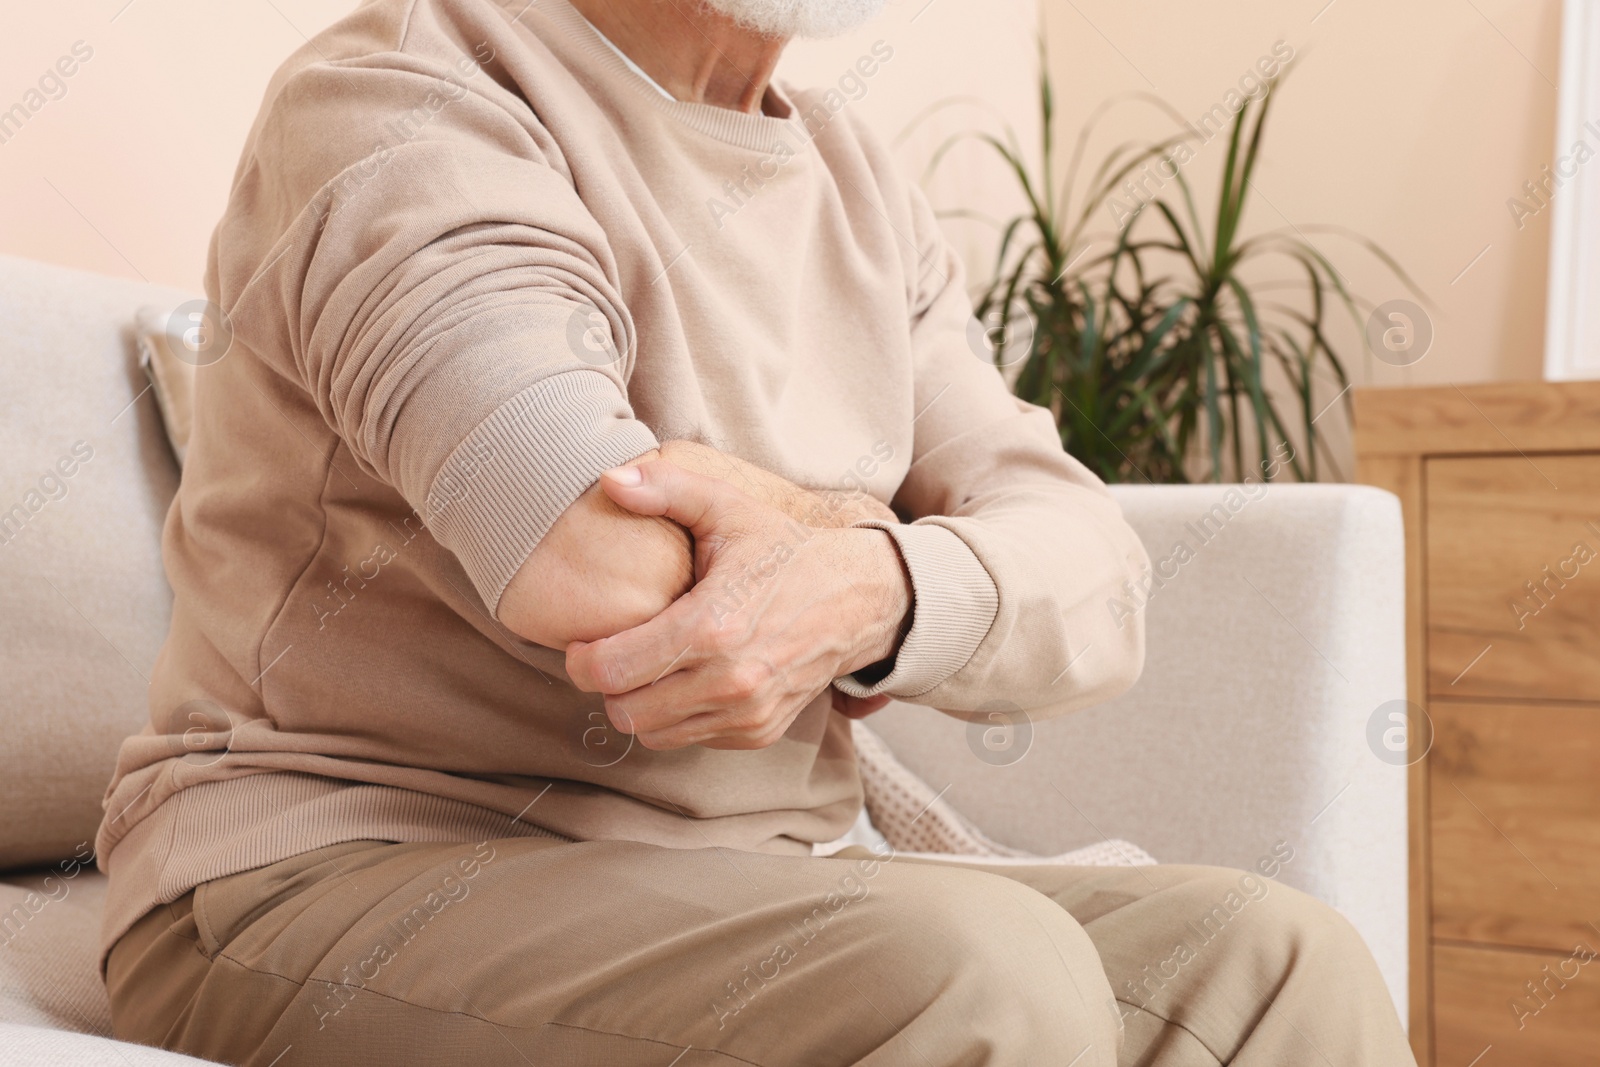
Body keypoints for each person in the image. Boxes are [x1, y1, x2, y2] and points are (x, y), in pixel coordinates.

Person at [98, 0, 1417, 1063]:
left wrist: (872, 573)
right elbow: (599, 564)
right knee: (982, 978)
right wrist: (886, 538)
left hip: (737, 885)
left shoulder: (859, 187)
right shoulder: (410, 94)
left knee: (1275, 958)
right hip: (333, 873)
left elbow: (1097, 574)